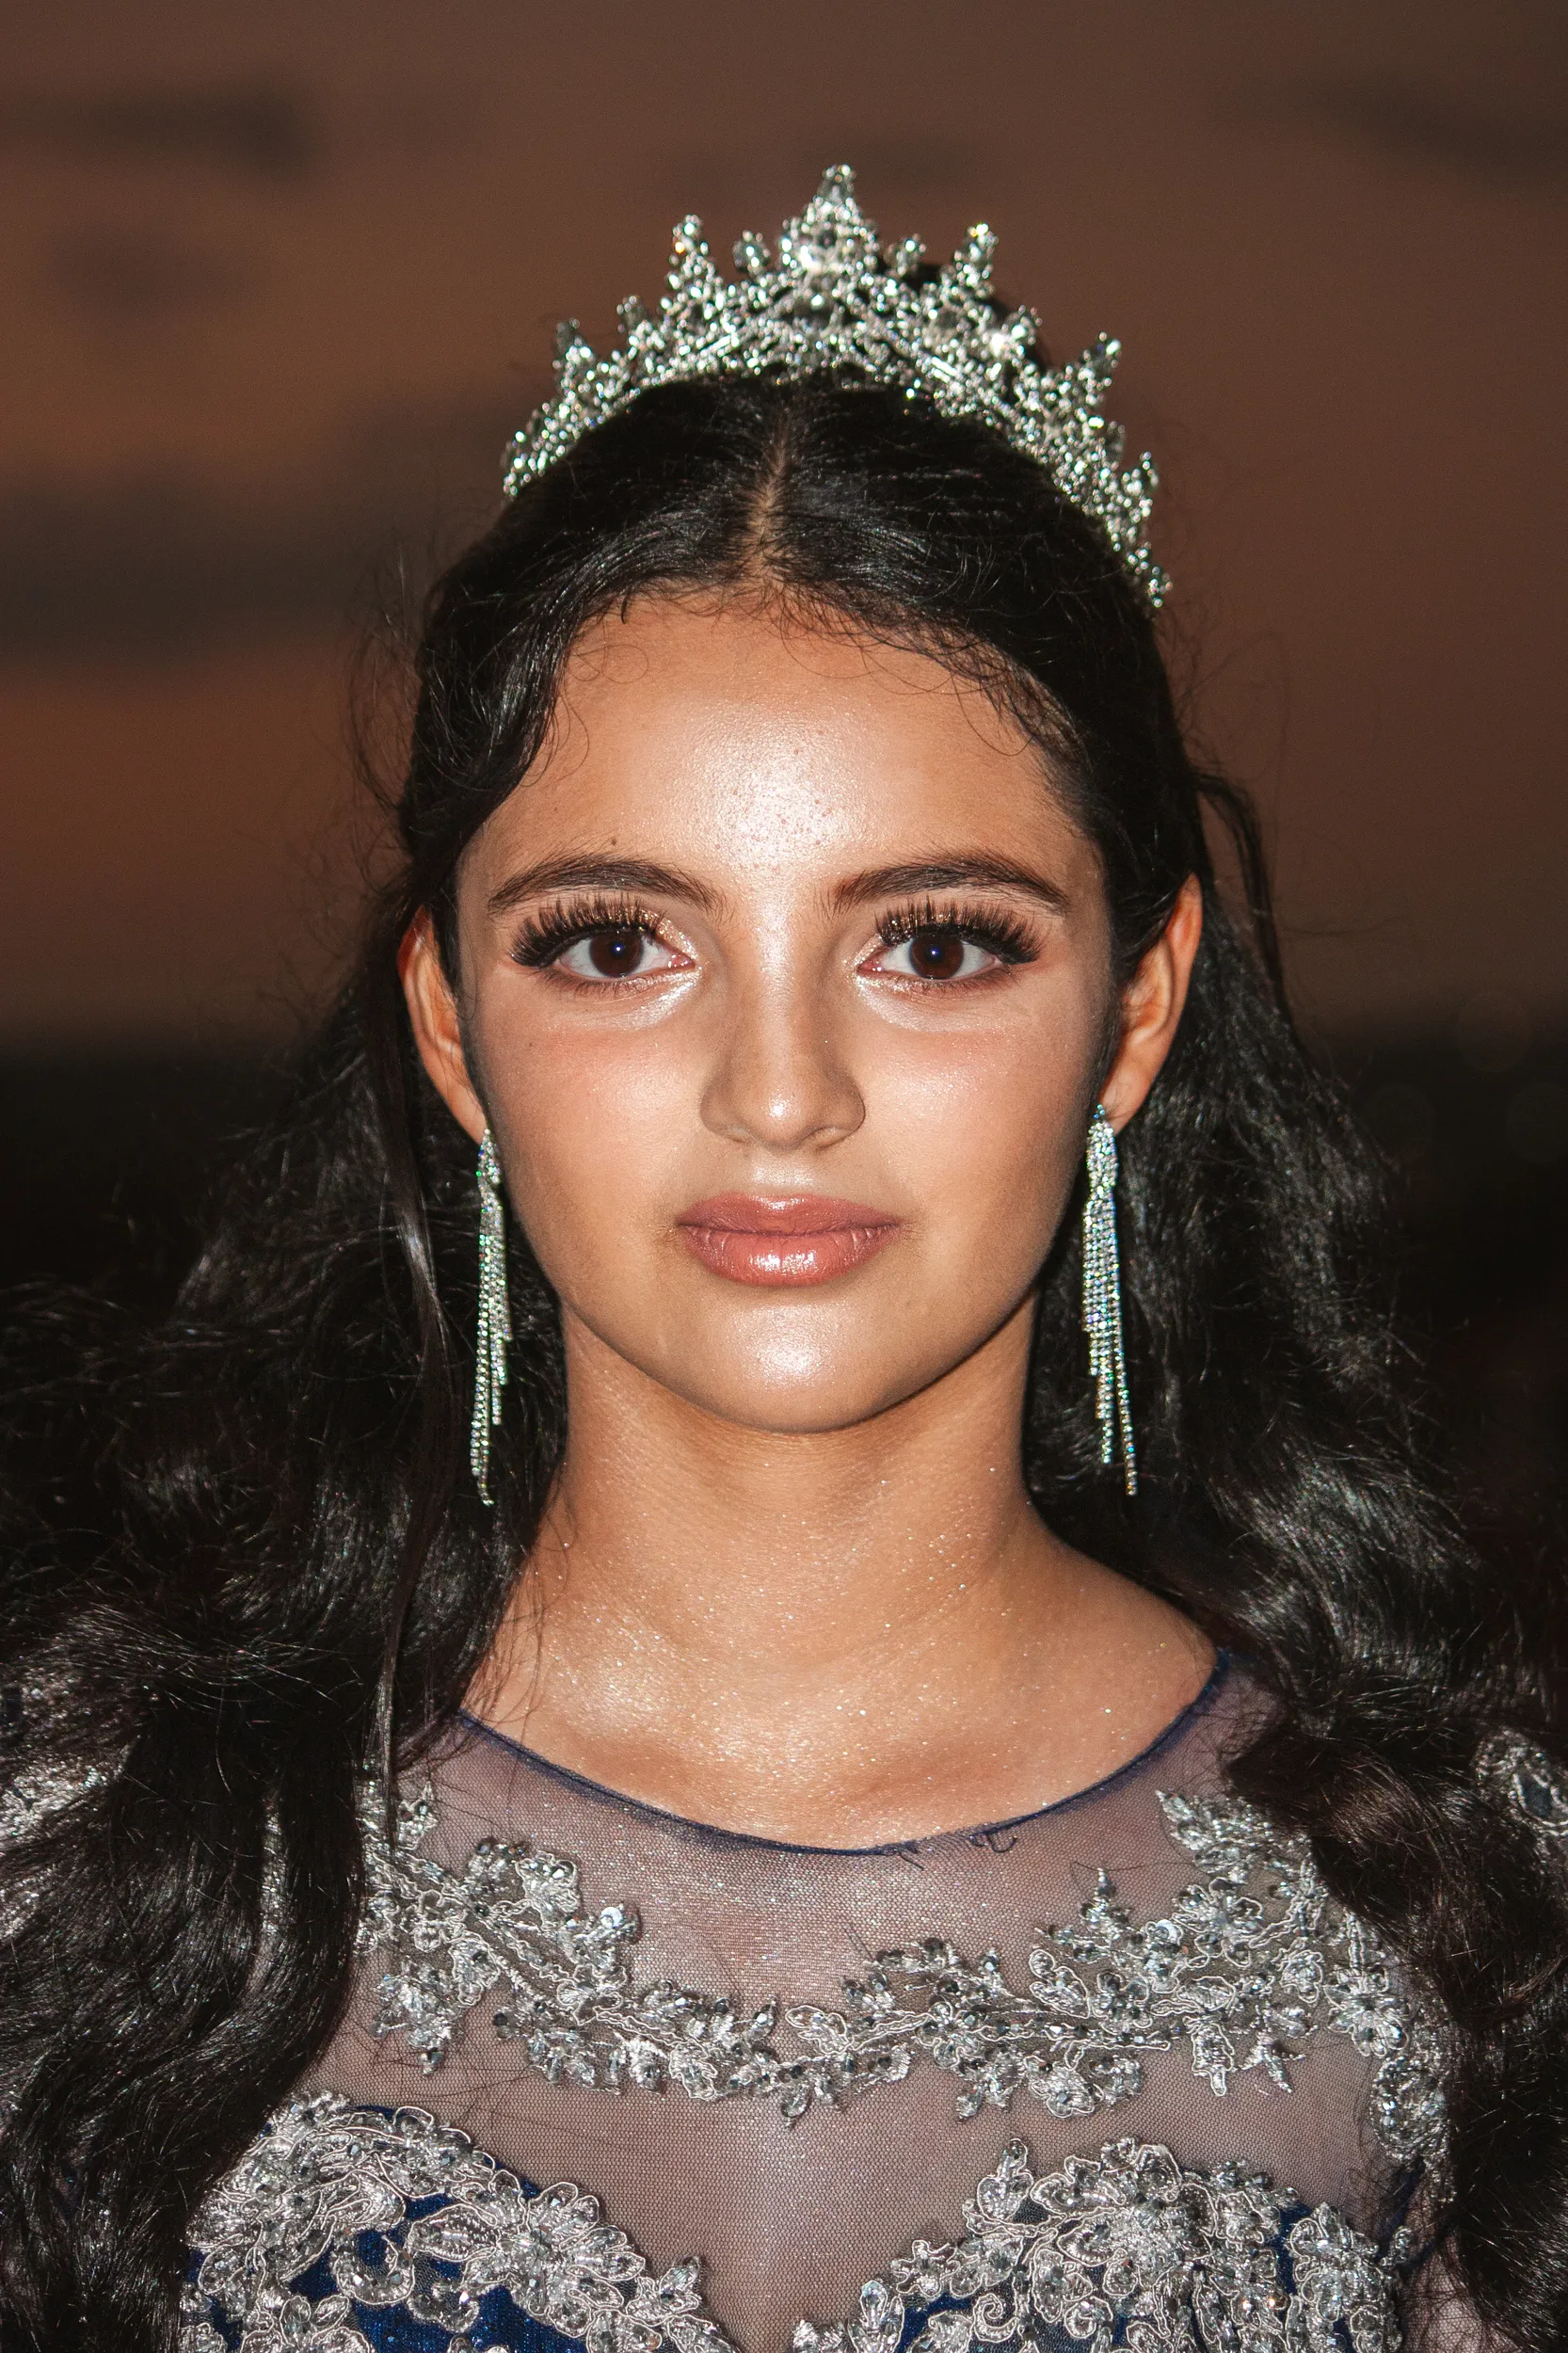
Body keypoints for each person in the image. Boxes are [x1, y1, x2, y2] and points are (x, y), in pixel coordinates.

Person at [1, 167, 1564, 2353]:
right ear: (446, 1021)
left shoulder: (1452, 1917)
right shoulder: (99, 1862)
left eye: (932, 943)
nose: (777, 1091)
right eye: (614, 943)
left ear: (1133, 1008)